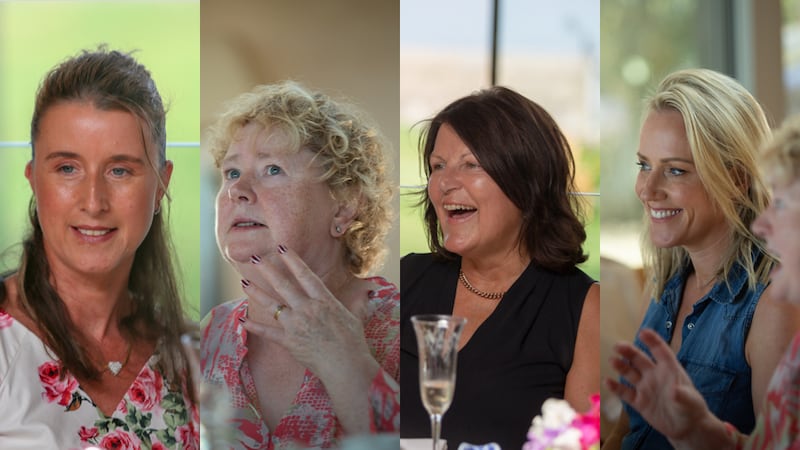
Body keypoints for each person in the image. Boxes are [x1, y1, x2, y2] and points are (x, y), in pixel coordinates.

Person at [0, 48, 198, 448]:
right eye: (67, 168)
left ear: (162, 184)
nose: (93, 202)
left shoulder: (193, 361)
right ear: (33, 179)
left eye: (120, 170)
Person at [602, 69, 800, 450]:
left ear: (737, 178)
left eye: (675, 170)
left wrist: (698, 433)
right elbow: (624, 433)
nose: (647, 189)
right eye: (644, 164)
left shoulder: (773, 302)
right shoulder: (665, 281)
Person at [200, 81, 400, 449]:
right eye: (230, 173)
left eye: (272, 169)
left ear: (343, 205)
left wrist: (346, 365)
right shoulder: (207, 337)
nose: (237, 190)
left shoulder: (405, 329)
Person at [399, 86, 600, 450]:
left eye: (471, 164)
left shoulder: (582, 308)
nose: (444, 183)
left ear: (527, 179)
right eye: (437, 166)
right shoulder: (405, 279)